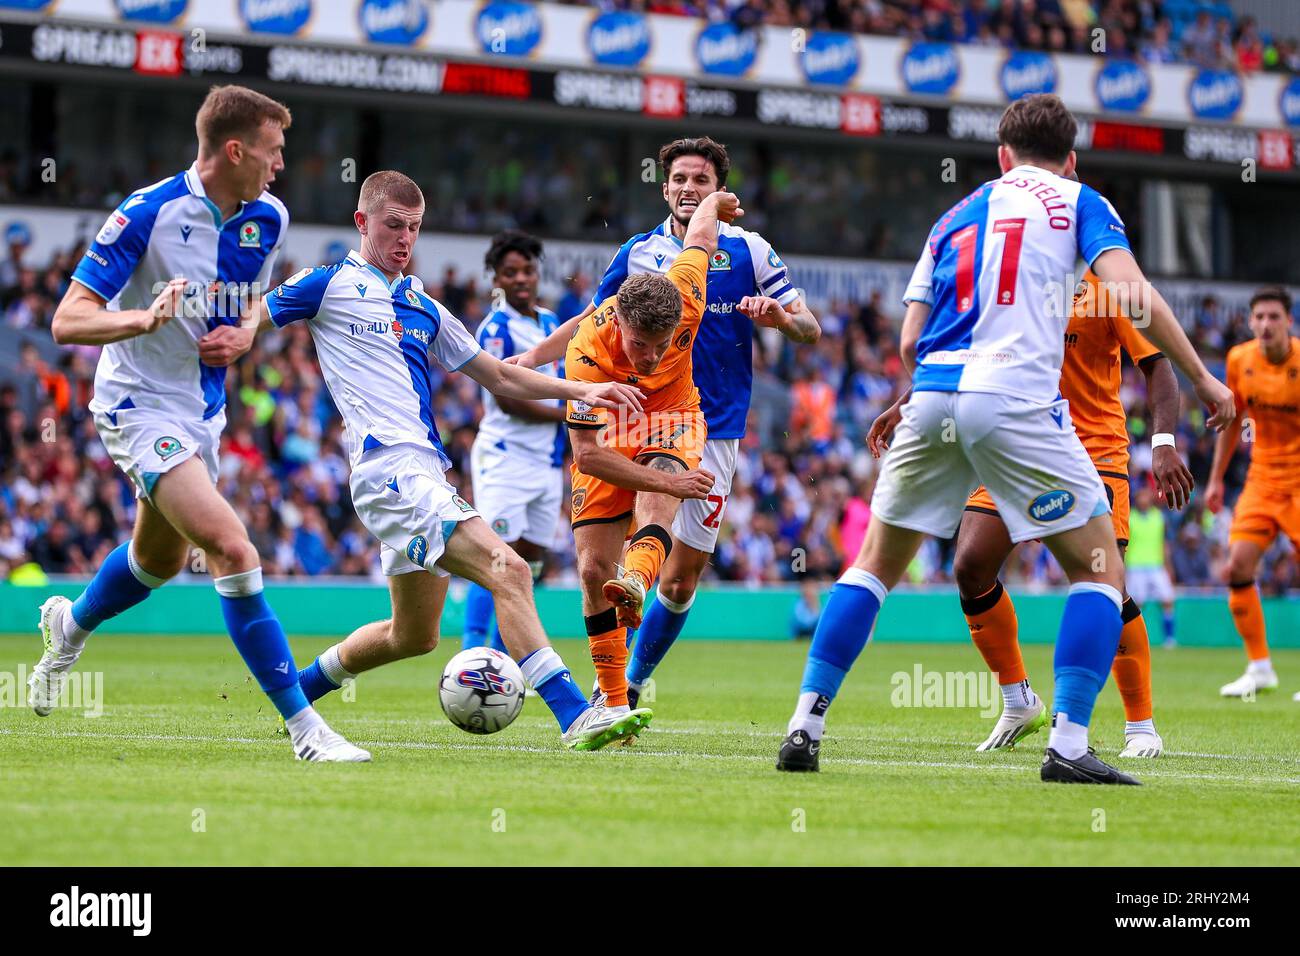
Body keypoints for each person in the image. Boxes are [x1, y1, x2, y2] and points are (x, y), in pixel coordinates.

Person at [774, 94, 1234, 784]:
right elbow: (1133, 294)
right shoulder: (1080, 202)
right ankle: (1071, 744)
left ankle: (804, 726)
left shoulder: (953, 217)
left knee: (871, 565)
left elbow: (907, 338)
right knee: (1100, 571)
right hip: (1016, 402)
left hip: (933, 396)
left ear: (1000, 156)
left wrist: (917, 400)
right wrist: (1203, 378)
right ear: (1070, 159)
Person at [214, 170, 651, 751]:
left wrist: (582, 391)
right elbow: (249, 324)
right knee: (510, 569)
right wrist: (196, 333)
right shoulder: (327, 284)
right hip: (387, 469)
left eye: (414, 228)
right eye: (393, 225)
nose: (404, 239)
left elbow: (497, 374)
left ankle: (296, 696)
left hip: (422, 471)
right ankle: (576, 715)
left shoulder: (424, 304)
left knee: (412, 635)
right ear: (362, 222)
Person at [27, 86, 372, 761]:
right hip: (138, 403)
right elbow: (67, 319)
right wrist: (142, 319)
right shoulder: (146, 214)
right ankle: (306, 729)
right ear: (235, 149)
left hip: (202, 413)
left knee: (154, 563)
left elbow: (246, 307)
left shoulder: (268, 218)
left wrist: (244, 333)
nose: (280, 166)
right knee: (233, 549)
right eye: (272, 152)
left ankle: (69, 624)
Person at [508, 137, 819, 706]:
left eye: (699, 181)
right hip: (631, 417)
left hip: (714, 423)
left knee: (679, 580)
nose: (687, 189)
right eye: (678, 179)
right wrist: (533, 357)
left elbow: (810, 327)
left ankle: (634, 673)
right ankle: (615, 687)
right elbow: (589, 319)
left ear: (718, 190)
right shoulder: (637, 251)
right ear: (664, 186)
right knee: (613, 555)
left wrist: (780, 318)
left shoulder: (749, 251)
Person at [870, 265, 1189, 759]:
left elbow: (1158, 367)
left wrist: (1164, 442)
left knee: (1107, 583)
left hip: (1092, 453)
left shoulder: (1110, 286)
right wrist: (907, 403)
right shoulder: (1010, 279)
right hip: (1015, 445)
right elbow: (968, 357)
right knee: (970, 565)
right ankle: (1019, 700)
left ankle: (1141, 724)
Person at [562, 189, 770, 716]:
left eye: (664, 343)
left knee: (660, 474)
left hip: (676, 415)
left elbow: (699, 238)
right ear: (620, 325)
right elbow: (586, 457)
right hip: (611, 424)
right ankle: (610, 705)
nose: (653, 356)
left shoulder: (688, 292)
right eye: (640, 346)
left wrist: (712, 202)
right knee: (590, 570)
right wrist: (674, 486)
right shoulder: (587, 350)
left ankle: (636, 576)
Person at [462, 230, 564, 653]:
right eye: (510, 273)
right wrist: (571, 415)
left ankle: (504, 658)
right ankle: (471, 652)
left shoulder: (551, 323)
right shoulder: (496, 328)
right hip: (506, 458)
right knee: (497, 557)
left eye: (527, 271)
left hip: (548, 460)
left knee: (532, 560)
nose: (521, 279)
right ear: (496, 282)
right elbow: (508, 401)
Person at [1205, 287, 1300, 700]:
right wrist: (1214, 479)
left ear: (1288, 321)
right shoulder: (1239, 360)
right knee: (1237, 567)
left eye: (1273, 317)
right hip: (1261, 480)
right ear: (1249, 321)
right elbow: (1231, 422)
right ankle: (1260, 668)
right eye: (1258, 316)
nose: (1265, 324)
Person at [1126, 482, 1177, 650]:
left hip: (1156, 565)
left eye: (1147, 496)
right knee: (1137, 604)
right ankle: (1136, 639)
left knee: (1168, 600)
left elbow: (1164, 543)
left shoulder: (1158, 517)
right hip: (1136, 566)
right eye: (1141, 496)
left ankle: (1169, 639)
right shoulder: (1129, 517)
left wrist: (1168, 566)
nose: (1144, 499)